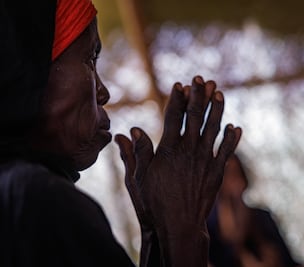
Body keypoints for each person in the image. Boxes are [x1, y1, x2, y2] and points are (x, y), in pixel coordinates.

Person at [0, 1, 242, 266]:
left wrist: (157, 236)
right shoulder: (35, 200)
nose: (103, 92)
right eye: (90, 59)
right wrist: (183, 232)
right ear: (29, 73)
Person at [207, 154, 299, 267]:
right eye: (226, 175)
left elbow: (286, 260)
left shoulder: (262, 218)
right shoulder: (208, 227)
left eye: (236, 174)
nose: (232, 182)